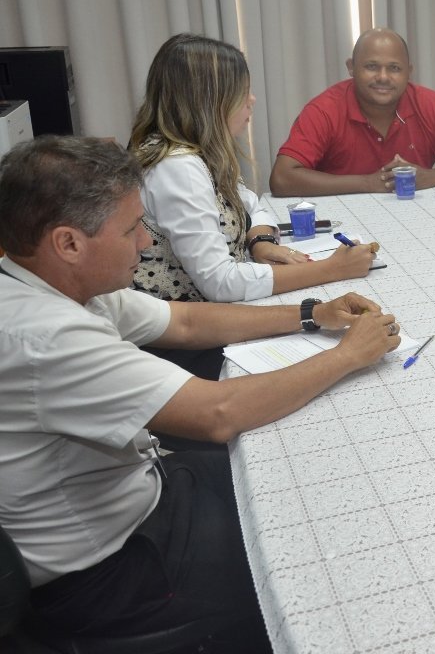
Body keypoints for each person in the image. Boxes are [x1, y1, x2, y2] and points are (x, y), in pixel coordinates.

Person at [0, 136, 403, 651]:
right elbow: (218, 413)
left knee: (308, 482)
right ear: (69, 244)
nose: (145, 243)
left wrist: (311, 313)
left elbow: (185, 321)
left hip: (139, 493)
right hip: (109, 574)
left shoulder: (51, 283)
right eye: (131, 229)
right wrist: (347, 356)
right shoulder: (45, 337)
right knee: (323, 562)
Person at [129, 33, 375, 304]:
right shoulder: (177, 168)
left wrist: (261, 242)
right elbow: (220, 283)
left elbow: (249, 205)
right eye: (243, 92)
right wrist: (332, 269)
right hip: (182, 317)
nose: (252, 99)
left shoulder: (201, 151)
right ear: (209, 101)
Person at [269, 27, 435, 196]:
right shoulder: (324, 110)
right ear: (351, 68)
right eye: (371, 66)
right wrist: (367, 184)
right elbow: (281, 179)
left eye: (394, 68)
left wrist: (430, 178)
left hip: (415, 214)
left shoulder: (430, 104)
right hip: (342, 219)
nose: (383, 77)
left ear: (408, 72)